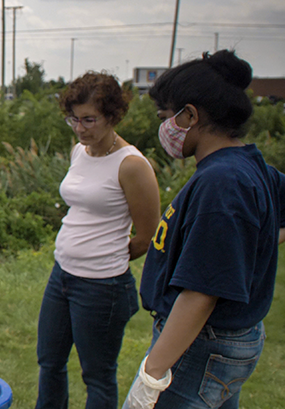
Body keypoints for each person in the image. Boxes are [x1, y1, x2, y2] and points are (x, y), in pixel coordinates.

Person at [123, 50, 285, 409]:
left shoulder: (221, 181)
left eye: (166, 117)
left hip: (202, 342)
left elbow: (199, 295)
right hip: (231, 337)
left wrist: (152, 376)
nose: (163, 127)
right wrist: (248, 252)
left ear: (190, 115)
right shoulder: (250, 165)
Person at [36, 71, 161, 409]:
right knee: (49, 362)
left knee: (98, 376)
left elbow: (148, 236)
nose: (80, 128)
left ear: (112, 115)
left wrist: (107, 258)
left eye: (89, 119)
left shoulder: (132, 165)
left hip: (102, 287)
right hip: (61, 276)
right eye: (73, 119)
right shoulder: (81, 151)